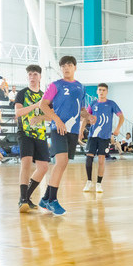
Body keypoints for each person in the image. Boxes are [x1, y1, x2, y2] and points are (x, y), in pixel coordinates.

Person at [38, 55, 89, 216]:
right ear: (60, 69)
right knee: (61, 162)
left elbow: (80, 109)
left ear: (75, 67)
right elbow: (43, 105)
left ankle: (45, 199)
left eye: (69, 65)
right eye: (63, 66)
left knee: (63, 164)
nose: (66, 68)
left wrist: (87, 118)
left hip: (72, 131)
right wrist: (56, 120)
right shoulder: (55, 85)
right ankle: (52, 200)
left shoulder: (81, 87)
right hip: (58, 129)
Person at [14, 64, 50, 212]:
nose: (32, 77)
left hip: (40, 134)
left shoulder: (45, 96)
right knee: (26, 162)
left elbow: (50, 116)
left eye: (35, 74)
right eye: (29, 74)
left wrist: (40, 116)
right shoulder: (22, 93)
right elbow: (18, 112)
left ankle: (26, 197)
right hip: (25, 133)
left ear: (40, 77)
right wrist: (35, 105)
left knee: (43, 167)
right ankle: (23, 199)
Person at [83, 83, 124, 194]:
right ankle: (89, 181)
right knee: (89, 158)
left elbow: (121, 116)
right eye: (99, 90)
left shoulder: (111, 104)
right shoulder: (93, 103)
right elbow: (86, 117)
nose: (101, 92)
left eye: (103, 90)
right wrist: (81, 131)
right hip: (93, 136)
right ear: (97, 91)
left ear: (106, 92)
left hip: (105, 137)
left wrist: (118, 128)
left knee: (101, 160)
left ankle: (99, 184)